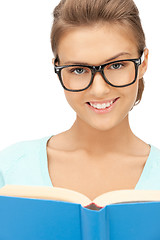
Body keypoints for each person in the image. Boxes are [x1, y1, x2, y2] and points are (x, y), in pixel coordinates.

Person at [0, 0, 160, 200]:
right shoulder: (10, 169)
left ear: (143, 63)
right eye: (78, 70)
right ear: (58, 70)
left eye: (117, 65)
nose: (99, 89)